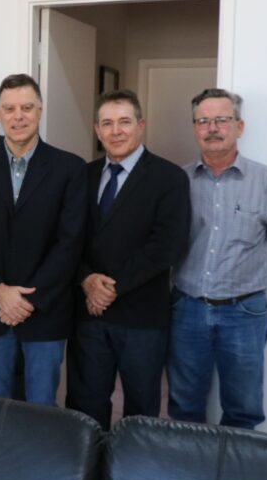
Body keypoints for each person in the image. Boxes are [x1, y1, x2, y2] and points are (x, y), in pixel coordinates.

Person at [0, 73, 86, 406]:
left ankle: (40, 461)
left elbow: (69, 242)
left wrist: (28, 299)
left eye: (27, 107)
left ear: (40, 110)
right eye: (10, 109)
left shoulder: (69, 168)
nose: (18, 117)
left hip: (45, 311)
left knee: (42, 407)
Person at [66, 89, 190, 429]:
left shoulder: (170, 178)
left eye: (124, 122)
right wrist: (87, 280)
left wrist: (110, 288)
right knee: (85, 404)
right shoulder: (83, 175)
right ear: (96, 130)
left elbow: (167, 245)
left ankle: (133, 478)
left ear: (140, 125)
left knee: (140, 410)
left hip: (141, 317)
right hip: (88, 313)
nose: (116, 131)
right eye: (107, 123)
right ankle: (88, 475)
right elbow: (68, 239)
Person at [168, 88, 267, 429]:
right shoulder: (178, 180)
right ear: (194, 128)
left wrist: (245, 280)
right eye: (203, 121)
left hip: (244, 311)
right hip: (188, 308)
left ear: (239, 126)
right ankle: (189, 474)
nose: (212, 128)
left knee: (243, 407)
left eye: (221, 119)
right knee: (184, 404)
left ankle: (234, 479)